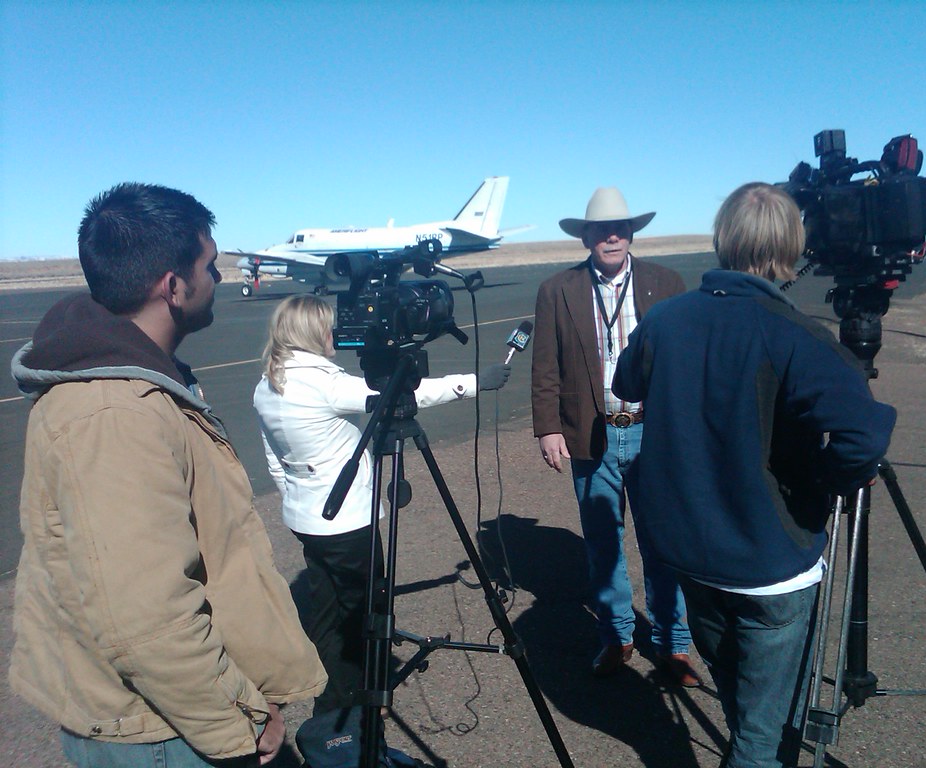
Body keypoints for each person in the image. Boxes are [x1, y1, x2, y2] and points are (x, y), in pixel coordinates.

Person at [9, 182, 327, 768]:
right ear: (173, 286)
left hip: (170, 716)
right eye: (210, 265)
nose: (221, 278)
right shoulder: (113, 413)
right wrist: (239, 719)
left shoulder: (139, 380)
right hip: (162, 731)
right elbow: (145, 615)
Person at [613, 182, 897, 767]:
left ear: (723, 239)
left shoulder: (667, 320)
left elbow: (625, 383)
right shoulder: (792, 332)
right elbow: (863, 434)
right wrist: (823, 481)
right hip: (770, 565)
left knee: (747, 704)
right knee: (758, 741)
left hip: (691, 554)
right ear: (792, 246)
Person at [252, 293, 510, 767]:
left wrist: (296, 496)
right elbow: (403, 397)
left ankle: (332, 711)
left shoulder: (268, 382)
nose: (338, 337)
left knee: (329, 612)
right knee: (364, 614)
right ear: (311, 332)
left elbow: (274, 457)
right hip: (348, 521)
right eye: (331, 328)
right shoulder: (322, 384)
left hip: (307, 517)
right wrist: (474, 383)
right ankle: (352, 712)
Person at [531, 186, 699, 685]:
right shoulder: (556, 289)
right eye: (601, 230)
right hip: (591, 433)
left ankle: (674, 645)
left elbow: (684, 362)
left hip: (653, 433)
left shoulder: (666, 282)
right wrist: (547, 427)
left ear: (631, 234)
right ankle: (617, 638)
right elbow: (545, 367)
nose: (611, 236)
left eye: (620, 228)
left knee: (663, 542)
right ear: (585, 237)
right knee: (603, 543)